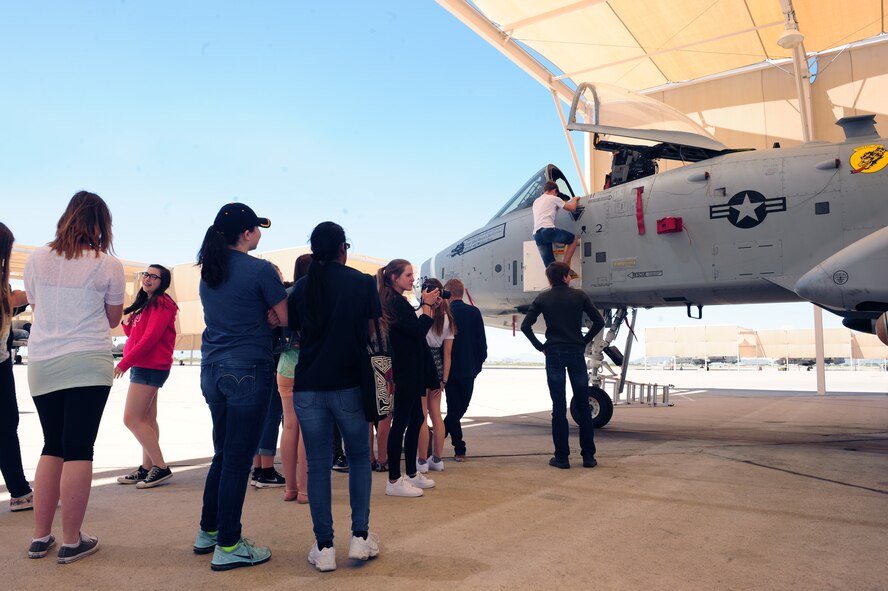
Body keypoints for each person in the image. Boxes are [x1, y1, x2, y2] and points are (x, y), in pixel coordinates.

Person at [24, 191, 125, 563]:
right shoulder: (107, 264)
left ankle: (39, 537)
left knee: (52, 445)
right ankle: (71, 541)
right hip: (87, 360)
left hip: (43, 360)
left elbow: (37, 307)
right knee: (79, 448)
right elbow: (114, 319)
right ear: (100, 225)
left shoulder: (36, 258)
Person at [193, 203, 288, 571]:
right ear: (247, 234)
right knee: (237, 459)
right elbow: (286, 317)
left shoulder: (209, 272)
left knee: (223, 453)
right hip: (248, 366)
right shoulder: (261, 270)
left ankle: (210, 531)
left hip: (212, 369)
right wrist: (270, 316)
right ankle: (230, 545)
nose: (260, 234)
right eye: (257, 229)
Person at [289, 222, 381, 572]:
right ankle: (359, 537)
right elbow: (371, 331)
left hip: (309, 386)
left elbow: (296, 329)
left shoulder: (302, 287)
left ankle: (324, 546)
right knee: (359, 459)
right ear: (343, 247)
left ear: (314, 252)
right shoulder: (361, 282)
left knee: (318, 464)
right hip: (350, 385)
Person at [520, 262, 605, 469]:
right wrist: (584, 341)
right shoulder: (580, 296)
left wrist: (541, 346)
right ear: (566, 277)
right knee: (583, 405)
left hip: (554, 353)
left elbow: (525, 326)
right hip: (575, 352)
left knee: (558, 407)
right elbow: (599, 322)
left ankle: (562, 457)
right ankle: (588, 456)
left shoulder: (542, 298)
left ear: (550, 279)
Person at [378, 259, 439, 497]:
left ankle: (411, 473)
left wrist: (425, 307)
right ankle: (394, 479)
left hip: (411, 368)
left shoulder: (399, 302)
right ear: (394, 278)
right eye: (408, 275)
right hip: (405, 369)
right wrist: (426, 308)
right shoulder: (393, 302)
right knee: (402, 423)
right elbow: (415, 332)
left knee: (415, 420)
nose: (413, 279)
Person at [114, 264, 178, 489]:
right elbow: (137, 335)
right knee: (148, 419)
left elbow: (150, 339)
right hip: (143, 366)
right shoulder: (146, 304)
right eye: (146, 275)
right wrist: (126, 324)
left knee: (131, 419)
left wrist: (124, 363)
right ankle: (147, 467)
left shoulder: (162, 303)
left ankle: (160, 467)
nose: (148, 279)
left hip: (150, 367)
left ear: (163, 282)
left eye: (154, 277)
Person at [0, 223, 33, 513]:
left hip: (2, 362)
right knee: (6, 427)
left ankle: (20, 491)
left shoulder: (3, 281)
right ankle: (20, 491)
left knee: (7, 426)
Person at [277, 253, 311, 503]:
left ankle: (289, 488)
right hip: (309, 367)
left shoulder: (286, 294)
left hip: (285, 365)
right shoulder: (314, 293)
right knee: (307, 429)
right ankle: (305, 490)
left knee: (289, 425)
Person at [251, 263, 287, 490]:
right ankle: (265, 470)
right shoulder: (273, 304)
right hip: (272, 362)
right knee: (271, 416)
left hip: (256, 360)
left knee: (259, 417)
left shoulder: (255, 302)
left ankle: (258, 468)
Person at [442, 278, 487, 461]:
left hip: (449, 370)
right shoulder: (474, 312)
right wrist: (478, 366)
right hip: (469, 370)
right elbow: (481, 343)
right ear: (461, 292)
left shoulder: (445, 313)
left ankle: (439, 436)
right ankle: (459, 448)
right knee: (460, 408)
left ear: (448, 293)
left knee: (453, 409)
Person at [416, 277, 454, 473]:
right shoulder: (447, 319)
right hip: (438, 367)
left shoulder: (418, 314)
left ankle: (421, 461)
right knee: (436, 414)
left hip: (421, 364)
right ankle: (437, 459)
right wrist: (444, 378)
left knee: (421, 416)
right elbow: (447, 354)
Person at [532, 180, 581, 269]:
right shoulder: (553, 198)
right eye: (556, 194)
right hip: (547, 230)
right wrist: (575, 199)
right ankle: (564, 268)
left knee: (550, 267)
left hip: (537, 235)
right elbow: (572, 208)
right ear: (554, 190)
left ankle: (555, 279)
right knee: (573, 239)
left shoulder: (536, 201)